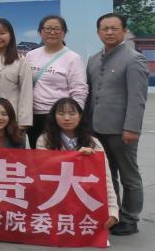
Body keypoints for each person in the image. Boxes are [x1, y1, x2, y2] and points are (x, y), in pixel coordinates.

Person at [86, 13, 149, 236]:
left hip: (122, 130)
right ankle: (114, 213)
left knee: (129, 176)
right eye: (105, 29)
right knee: (106, 175)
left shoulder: (134, 59)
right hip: (96, 128)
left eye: (114, 28)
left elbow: (137, 98)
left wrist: (132, 128)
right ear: (98, 32)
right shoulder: (93, 59)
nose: (109, 32)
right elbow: (90, 95)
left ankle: (130, 218)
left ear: (124, 31)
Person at [37, 97, 119, 229]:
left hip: (84, 202)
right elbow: (43, 170)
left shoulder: (93, 143)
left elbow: (106, 179)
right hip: (55, 202)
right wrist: (76, 158)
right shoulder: (44, 140)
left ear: (80, 117)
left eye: (72, 113)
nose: (67, 118)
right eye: (61, 114)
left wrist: (113, 211)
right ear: (54, 117)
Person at [25, 15, 88, 145]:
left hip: (59, 116)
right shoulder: (31, 55)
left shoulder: (73, 58)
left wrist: (73, 117)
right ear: (40, 32)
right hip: (34, 116)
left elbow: (79, 90)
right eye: (48, 28)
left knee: (59, 154)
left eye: (57, 29)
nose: (52, 32)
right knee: (37, 153)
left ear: (64, 33)